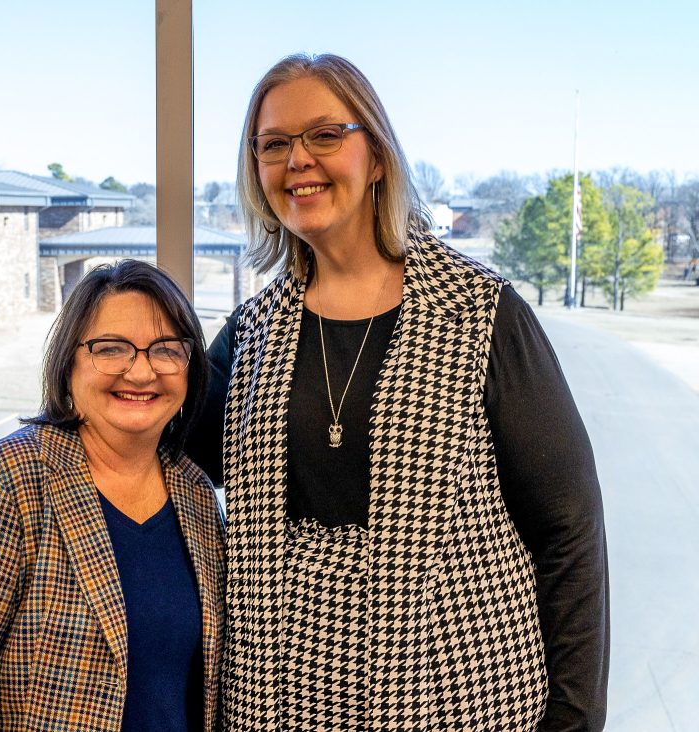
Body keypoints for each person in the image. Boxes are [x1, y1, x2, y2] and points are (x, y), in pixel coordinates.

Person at [186, 53, 609, 730]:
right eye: (273, 144)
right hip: (280, 701)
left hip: (459, 698)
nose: (298, 159)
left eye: (325, 134)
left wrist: (576, 717)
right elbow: (159, 446)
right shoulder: (252, 334)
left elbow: (570, 528)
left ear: (377, 155)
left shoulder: (480, 314)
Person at [0, 259, 225, 731]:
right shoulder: (2, 482)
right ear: (69, 364)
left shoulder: (194, 492)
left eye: (166, 350)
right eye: (111, 349)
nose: (141, 371)